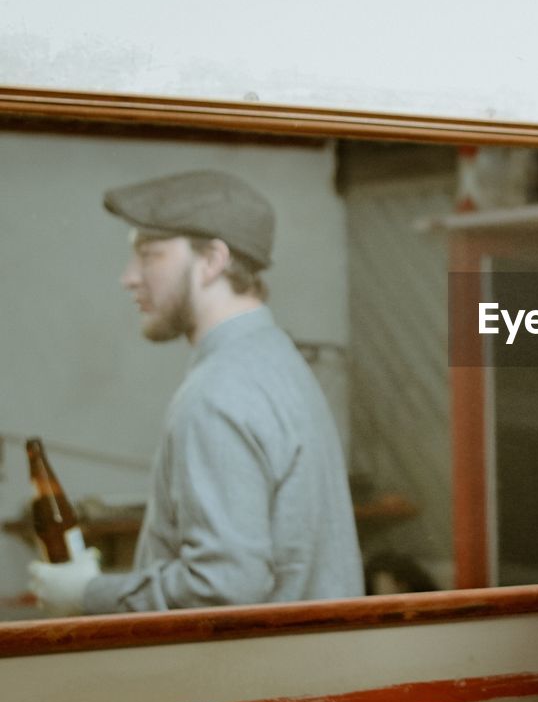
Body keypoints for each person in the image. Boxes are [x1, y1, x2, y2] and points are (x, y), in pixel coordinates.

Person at [29, 169, 364, 614]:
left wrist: (86, 595)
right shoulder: (276, 358)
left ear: (212, 261)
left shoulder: (218, 392)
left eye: (149, 255)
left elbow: (225, 585)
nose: (129, 277)